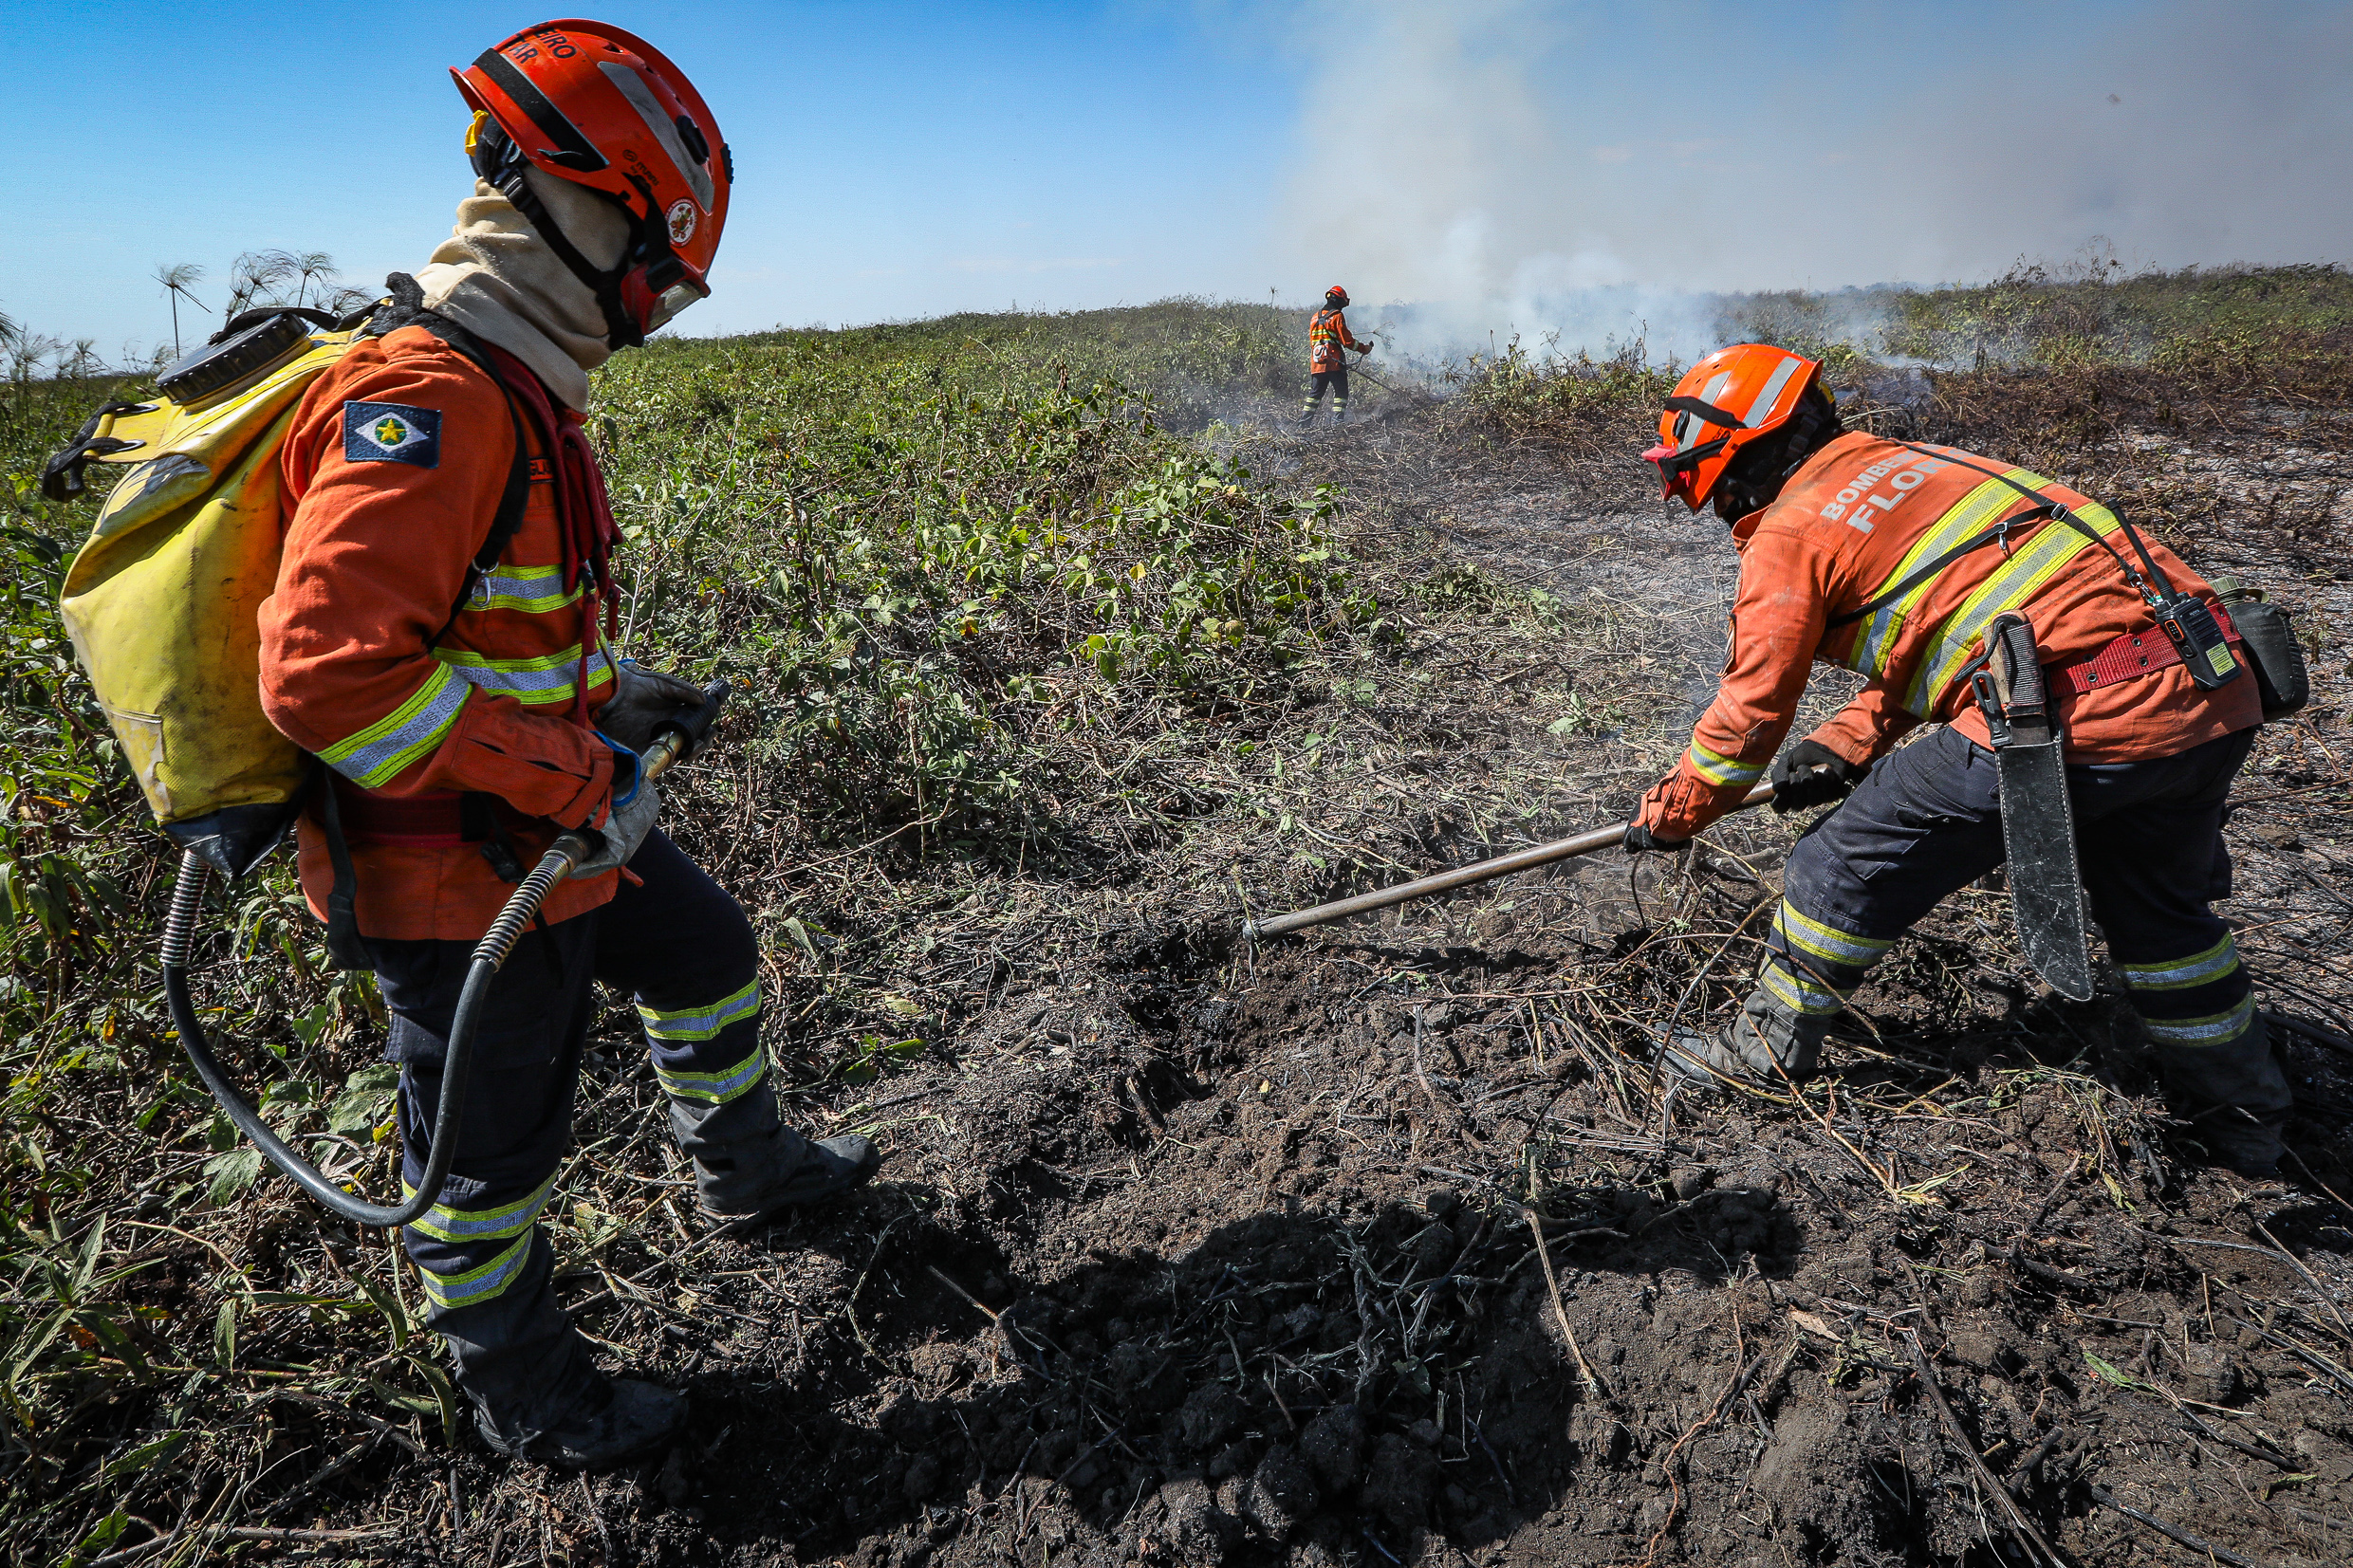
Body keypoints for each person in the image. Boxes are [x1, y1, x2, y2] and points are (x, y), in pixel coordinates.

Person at [257, 21, 879, 1469]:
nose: (660, 305)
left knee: (710, 951)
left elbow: (489, 631)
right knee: (486, 1163)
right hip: (459, 880)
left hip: (552, 835)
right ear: (580, 206)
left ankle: (751, 1172)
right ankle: (525, 1389)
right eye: (659, 267)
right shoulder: (432, 399)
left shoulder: (519, 384)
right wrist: (571, 774)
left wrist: (613, 700)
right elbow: (326, 675)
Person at [1625, 343, 2293, 1176]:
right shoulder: (1921, 465)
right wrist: (1852, 736)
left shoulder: (1789, 530)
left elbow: (1747, 722)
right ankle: (2246, 1120)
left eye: (1712, 484)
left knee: (1840, 861)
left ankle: (1760, 1050)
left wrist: (1673, 812)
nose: (1721, 508)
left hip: (2080, 714)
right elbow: (1978, 624)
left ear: (1741, 453)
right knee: (2163, 919)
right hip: (2210, 691)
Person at [1299, 286, 1375, 426]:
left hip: (1317, 364)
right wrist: (1365, 349)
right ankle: (1337, 424)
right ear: (1339, 300)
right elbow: (1348, 342)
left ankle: (1303, 423)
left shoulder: (1314, 317)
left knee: (1314, 395)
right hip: (1334, 363)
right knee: (1341, 394)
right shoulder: (1337, 316)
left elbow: (1313, 343)